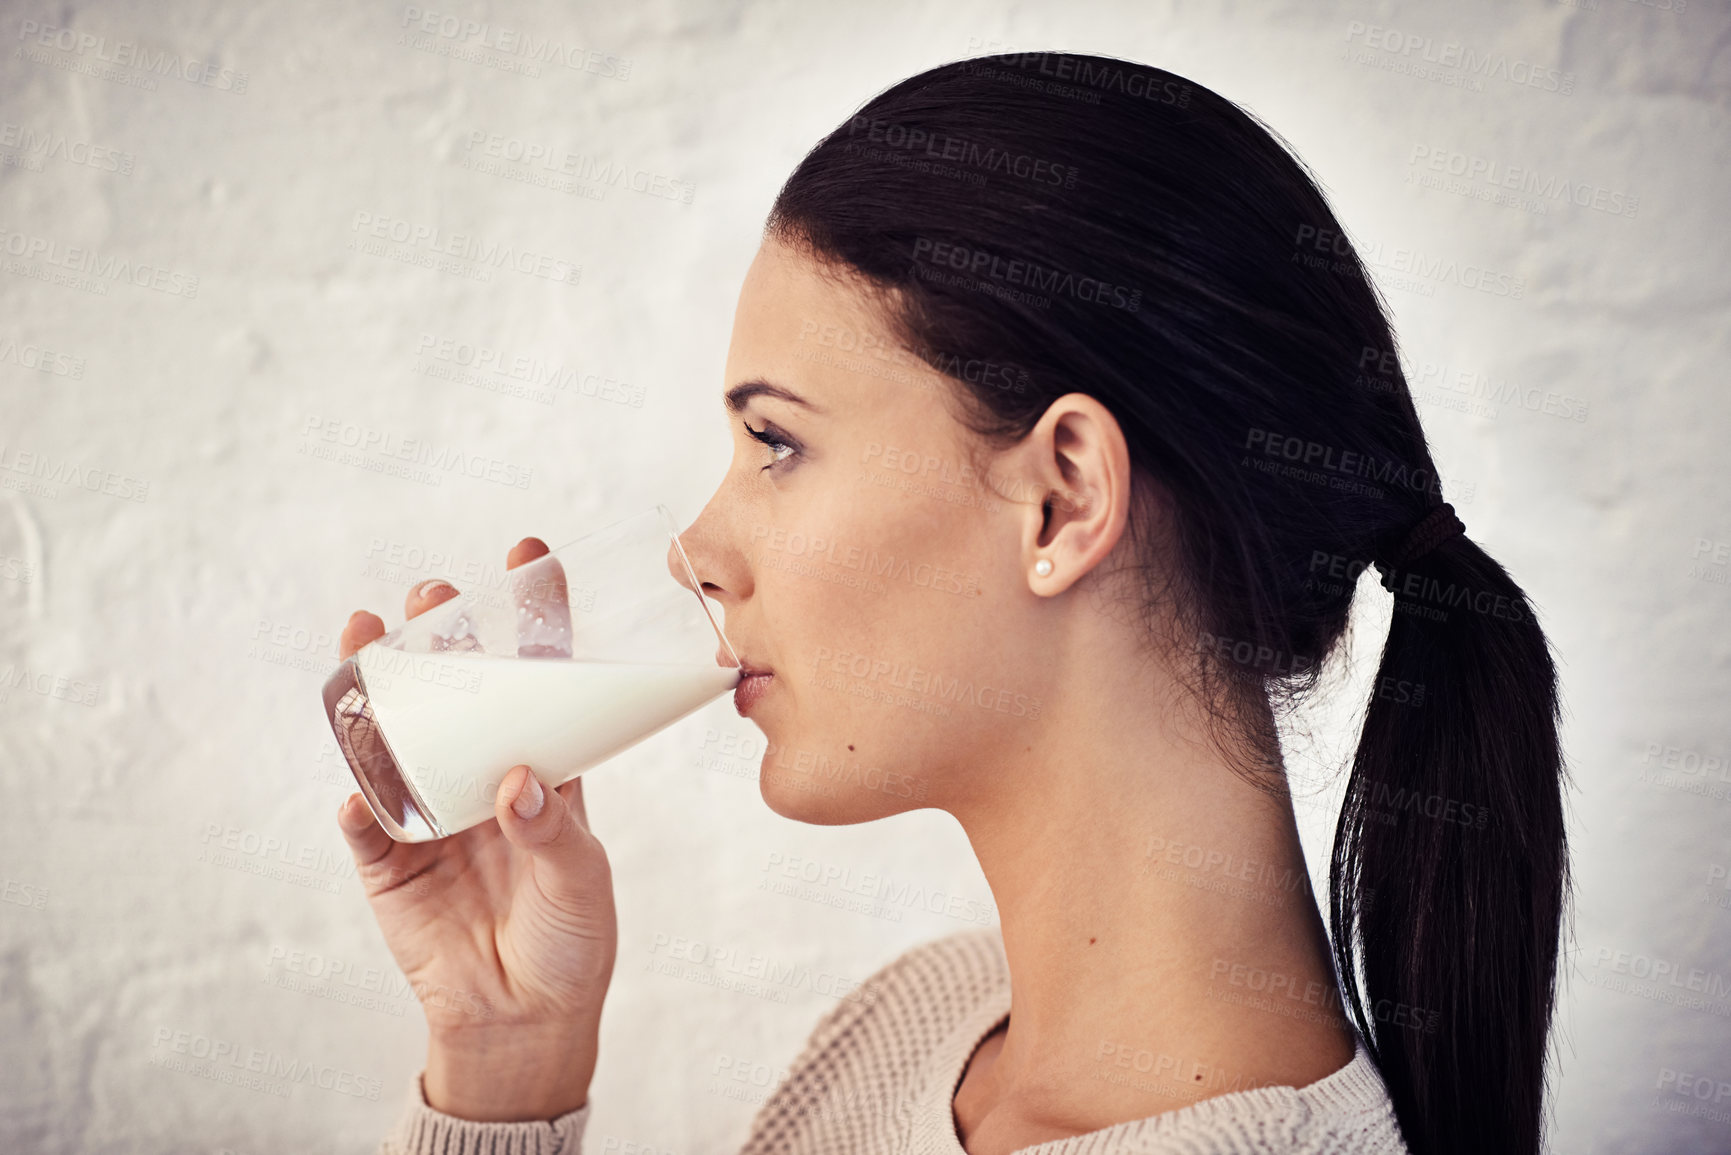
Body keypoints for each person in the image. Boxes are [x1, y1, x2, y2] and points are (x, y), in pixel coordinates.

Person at [337, 51, 1568, 1155]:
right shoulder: (914, 1027)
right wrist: (506, 1066)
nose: (694, 551)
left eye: (776, 442)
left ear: (1062, 499)